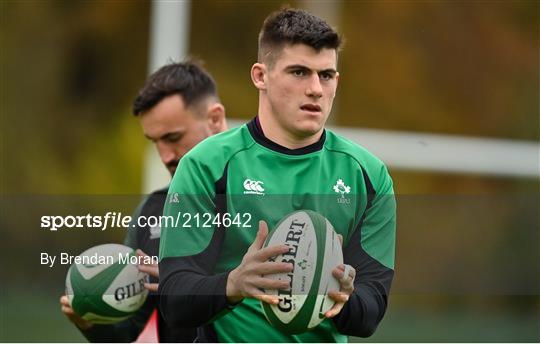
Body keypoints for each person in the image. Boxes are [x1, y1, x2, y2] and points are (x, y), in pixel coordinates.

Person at [159, 8, 396, 342]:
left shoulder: (369, 176)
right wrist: (233, 285)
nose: (315, 88)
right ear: (261, 76)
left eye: (326, 75)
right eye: (299, 72)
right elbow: (174, 297)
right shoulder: (207, 166)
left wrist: (345, 301)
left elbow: (371, 311)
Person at [60, 61, 228, 342]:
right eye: (155, 141)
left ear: (214, 119)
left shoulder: (268, 195)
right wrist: (91, 321)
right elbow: (126, 331)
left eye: (173, 137)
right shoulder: (153, 213)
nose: (165, 156)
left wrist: (186, 282)